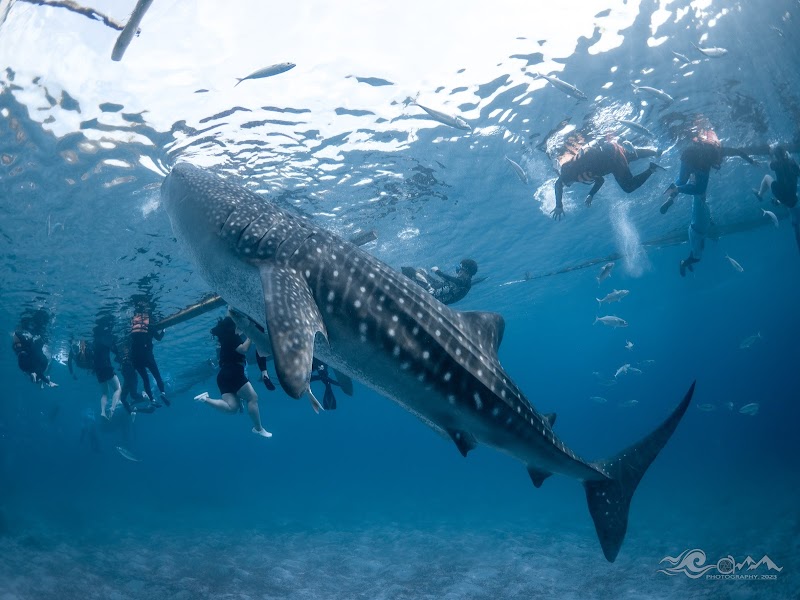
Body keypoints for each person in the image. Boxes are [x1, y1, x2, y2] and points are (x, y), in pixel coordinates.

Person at [660, 123, 755, 275]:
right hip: (698, 163)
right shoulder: (717, 153)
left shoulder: (706, 145)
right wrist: (751, 161)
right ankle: (676, 189)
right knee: (699, 189)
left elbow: (736, 151)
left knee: (682, 181)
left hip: (687, 155)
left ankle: (673, 194)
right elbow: (738, 152)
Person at [193, 316, 272, 438]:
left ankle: (205, 399)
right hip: (233, 371)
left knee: (232, 408)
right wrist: (251, 333)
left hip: (223, 375)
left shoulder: (224, 339)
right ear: (233, 326)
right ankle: (258, 428)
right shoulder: (231, 336)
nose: (240, 328)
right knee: (253, 398)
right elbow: (243, 349)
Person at [551, 139, 661, 220]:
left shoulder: (568, 171)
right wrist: (591, 194)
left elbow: (558, 184)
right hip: (612, 150)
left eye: (567, 184)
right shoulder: (577, 172)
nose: (569, 185)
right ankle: (655, 152)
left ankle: (652, 169)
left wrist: (559, 205)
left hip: (612, 157)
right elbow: (600, 180)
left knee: (628, 186)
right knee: (632, 155)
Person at [753, 144, 800, 253]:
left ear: (776, 156)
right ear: (785, 153)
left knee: (767, 177)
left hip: (781, 193)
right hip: (792, 197)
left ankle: (760, 195)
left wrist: (770, 153)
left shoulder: (776, 164)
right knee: (792, 199)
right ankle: (779, 202)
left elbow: (769, 164)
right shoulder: (792, 164)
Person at [130, 300, 169, 406]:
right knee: (157, 376)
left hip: (136, 358)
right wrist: (164, 330)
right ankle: (162, 393)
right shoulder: (150, 327)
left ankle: (152, 399)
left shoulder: (134, 331)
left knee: (145, 380)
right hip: (147, 356)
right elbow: (159, 338)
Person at [401, 258, 479, 305]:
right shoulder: (465, 282)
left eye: (460, 268)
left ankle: (425, 288)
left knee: (409, 271)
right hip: (437, 288)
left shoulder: (464, 283)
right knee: (421, 271)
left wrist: (438, 272)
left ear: (465, 270)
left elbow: (453, 280)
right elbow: (450, 281)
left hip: (433, 294)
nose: (458, 271)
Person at [93, 317, 122, 420]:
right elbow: (115, 350)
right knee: (118, 388)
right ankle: (112, 408)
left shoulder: (95, 341)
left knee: (105, 393)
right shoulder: (107, 338)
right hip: (106, 366)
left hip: (98, 369)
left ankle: (102, 412)